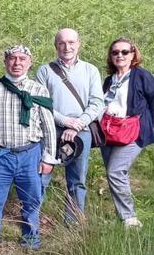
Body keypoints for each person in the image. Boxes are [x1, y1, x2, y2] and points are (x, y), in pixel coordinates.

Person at [0, 45, 57, 249]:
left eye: (22, 59)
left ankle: (31, 238)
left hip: (30, 153)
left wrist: (48, 158)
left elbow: (49, 127)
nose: (17, 63)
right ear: (5, 61)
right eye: (12, 58)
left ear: (30, 62)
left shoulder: (38, 90)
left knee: (32, 199)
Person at [34, 29, 104, 224]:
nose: (67, 47)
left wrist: (78, 124)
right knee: (42, 175)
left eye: (71, 42)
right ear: (56, 46)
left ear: (78, 44)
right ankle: (32, 219)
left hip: (82, 131)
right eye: (62, 43)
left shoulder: (91, 70)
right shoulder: (44, 71)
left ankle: (71, 223)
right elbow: (41, 103)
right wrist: (65, 122)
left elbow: (97, 102)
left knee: (77, 179)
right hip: (51, 129)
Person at [99, 38, 154, 227]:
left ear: (133, 55)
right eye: (115, 52)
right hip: (109, 133)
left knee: (115, 171)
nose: (119, 55)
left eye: (124, 52)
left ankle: (130, 218)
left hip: (133, 132)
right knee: (114, 173)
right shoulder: (109, 80)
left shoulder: (141, 76)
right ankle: (121, 216)